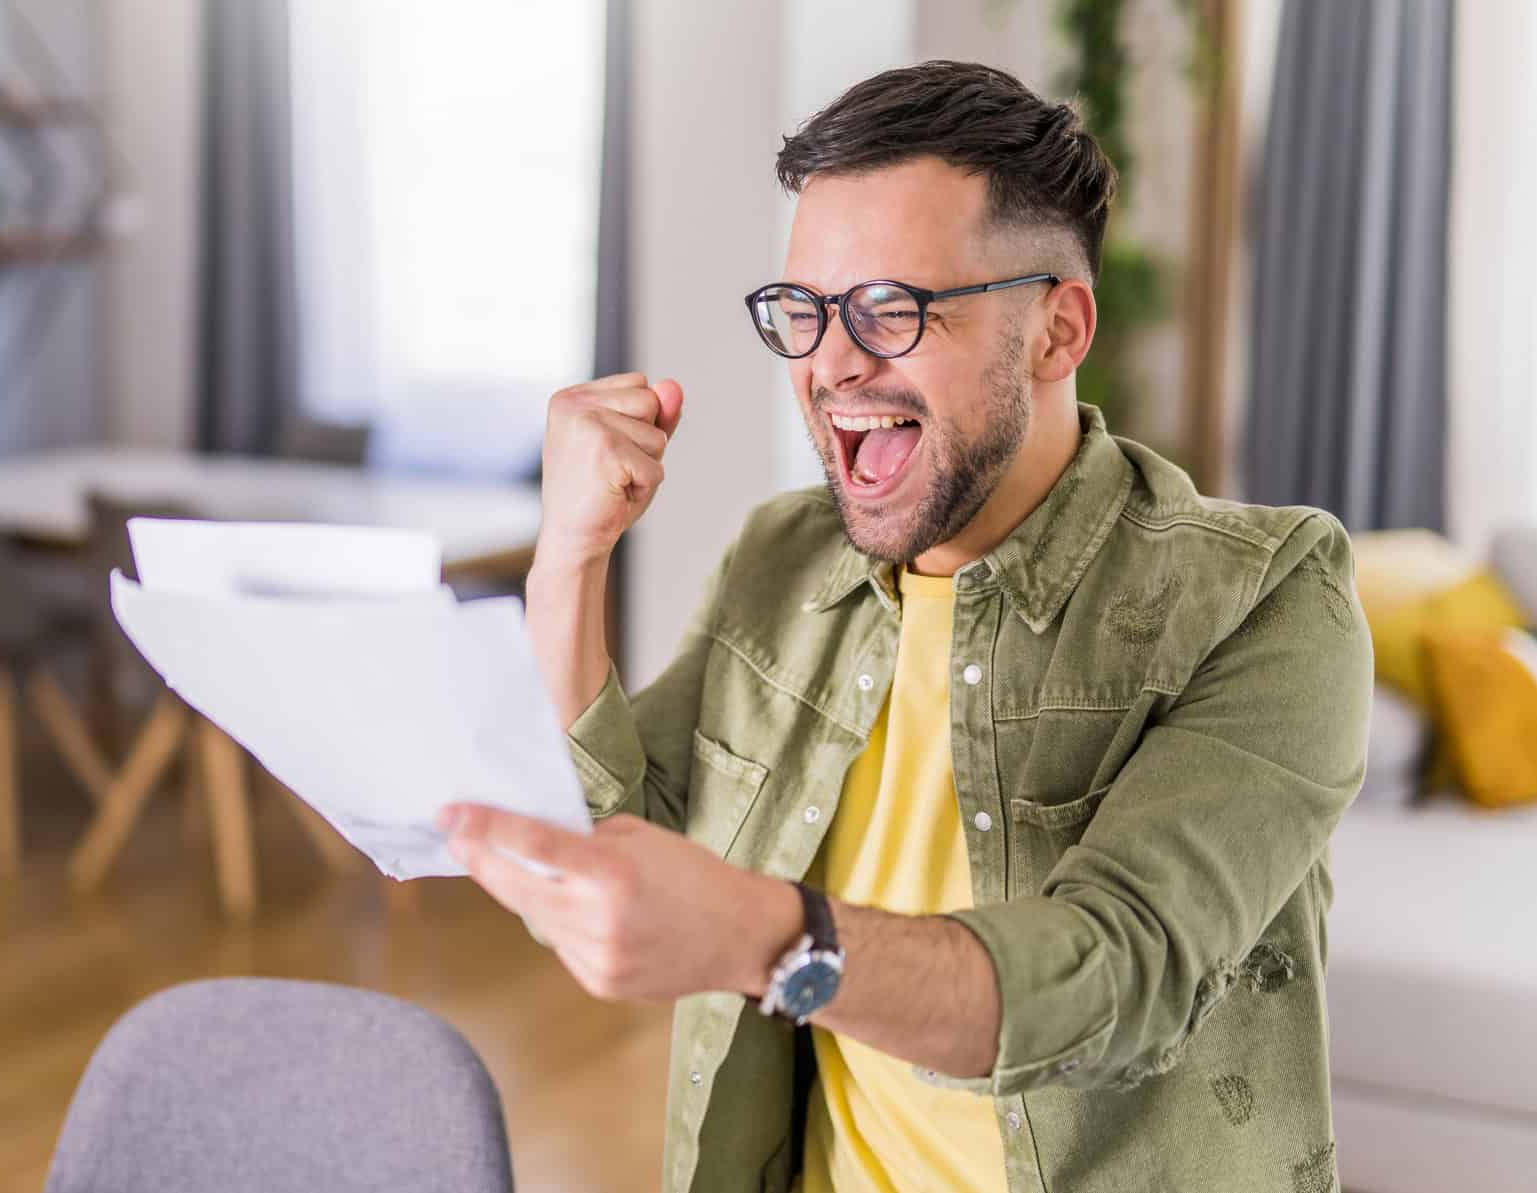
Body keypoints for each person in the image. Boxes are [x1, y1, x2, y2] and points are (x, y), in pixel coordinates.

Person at [440, 60, 1371, 1193]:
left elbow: (1121, 976)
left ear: (1057, 330)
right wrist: (568, 558)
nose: (831, 364)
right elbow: (615, 848)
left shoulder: (1267, 594)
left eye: (891, 309)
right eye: (805, 311)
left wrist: (772, 939)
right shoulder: (782, 560)